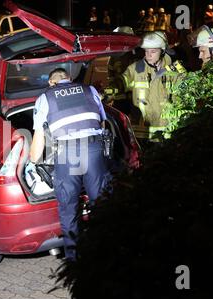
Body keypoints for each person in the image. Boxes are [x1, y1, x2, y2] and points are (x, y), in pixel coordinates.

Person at [25, 68, 111, 262]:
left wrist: (32, 162)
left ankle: (74, 259)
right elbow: (102, 124)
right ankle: (105, 251)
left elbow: (38, 139)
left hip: (67, 153)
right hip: (93, 150)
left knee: (68, 208)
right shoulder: (89, 90)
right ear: (69, 79)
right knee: (101, 203)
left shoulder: (45, 97)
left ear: (51, 83)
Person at [119, 31, 186, 141]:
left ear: (163, 52)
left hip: (168, 133)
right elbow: (122, 81)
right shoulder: (136, 68)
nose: (148, 55)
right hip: (142, 133)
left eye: (153, 51)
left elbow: (186, 96)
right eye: (146, 51)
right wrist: (109, 90)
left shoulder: (176, 70)